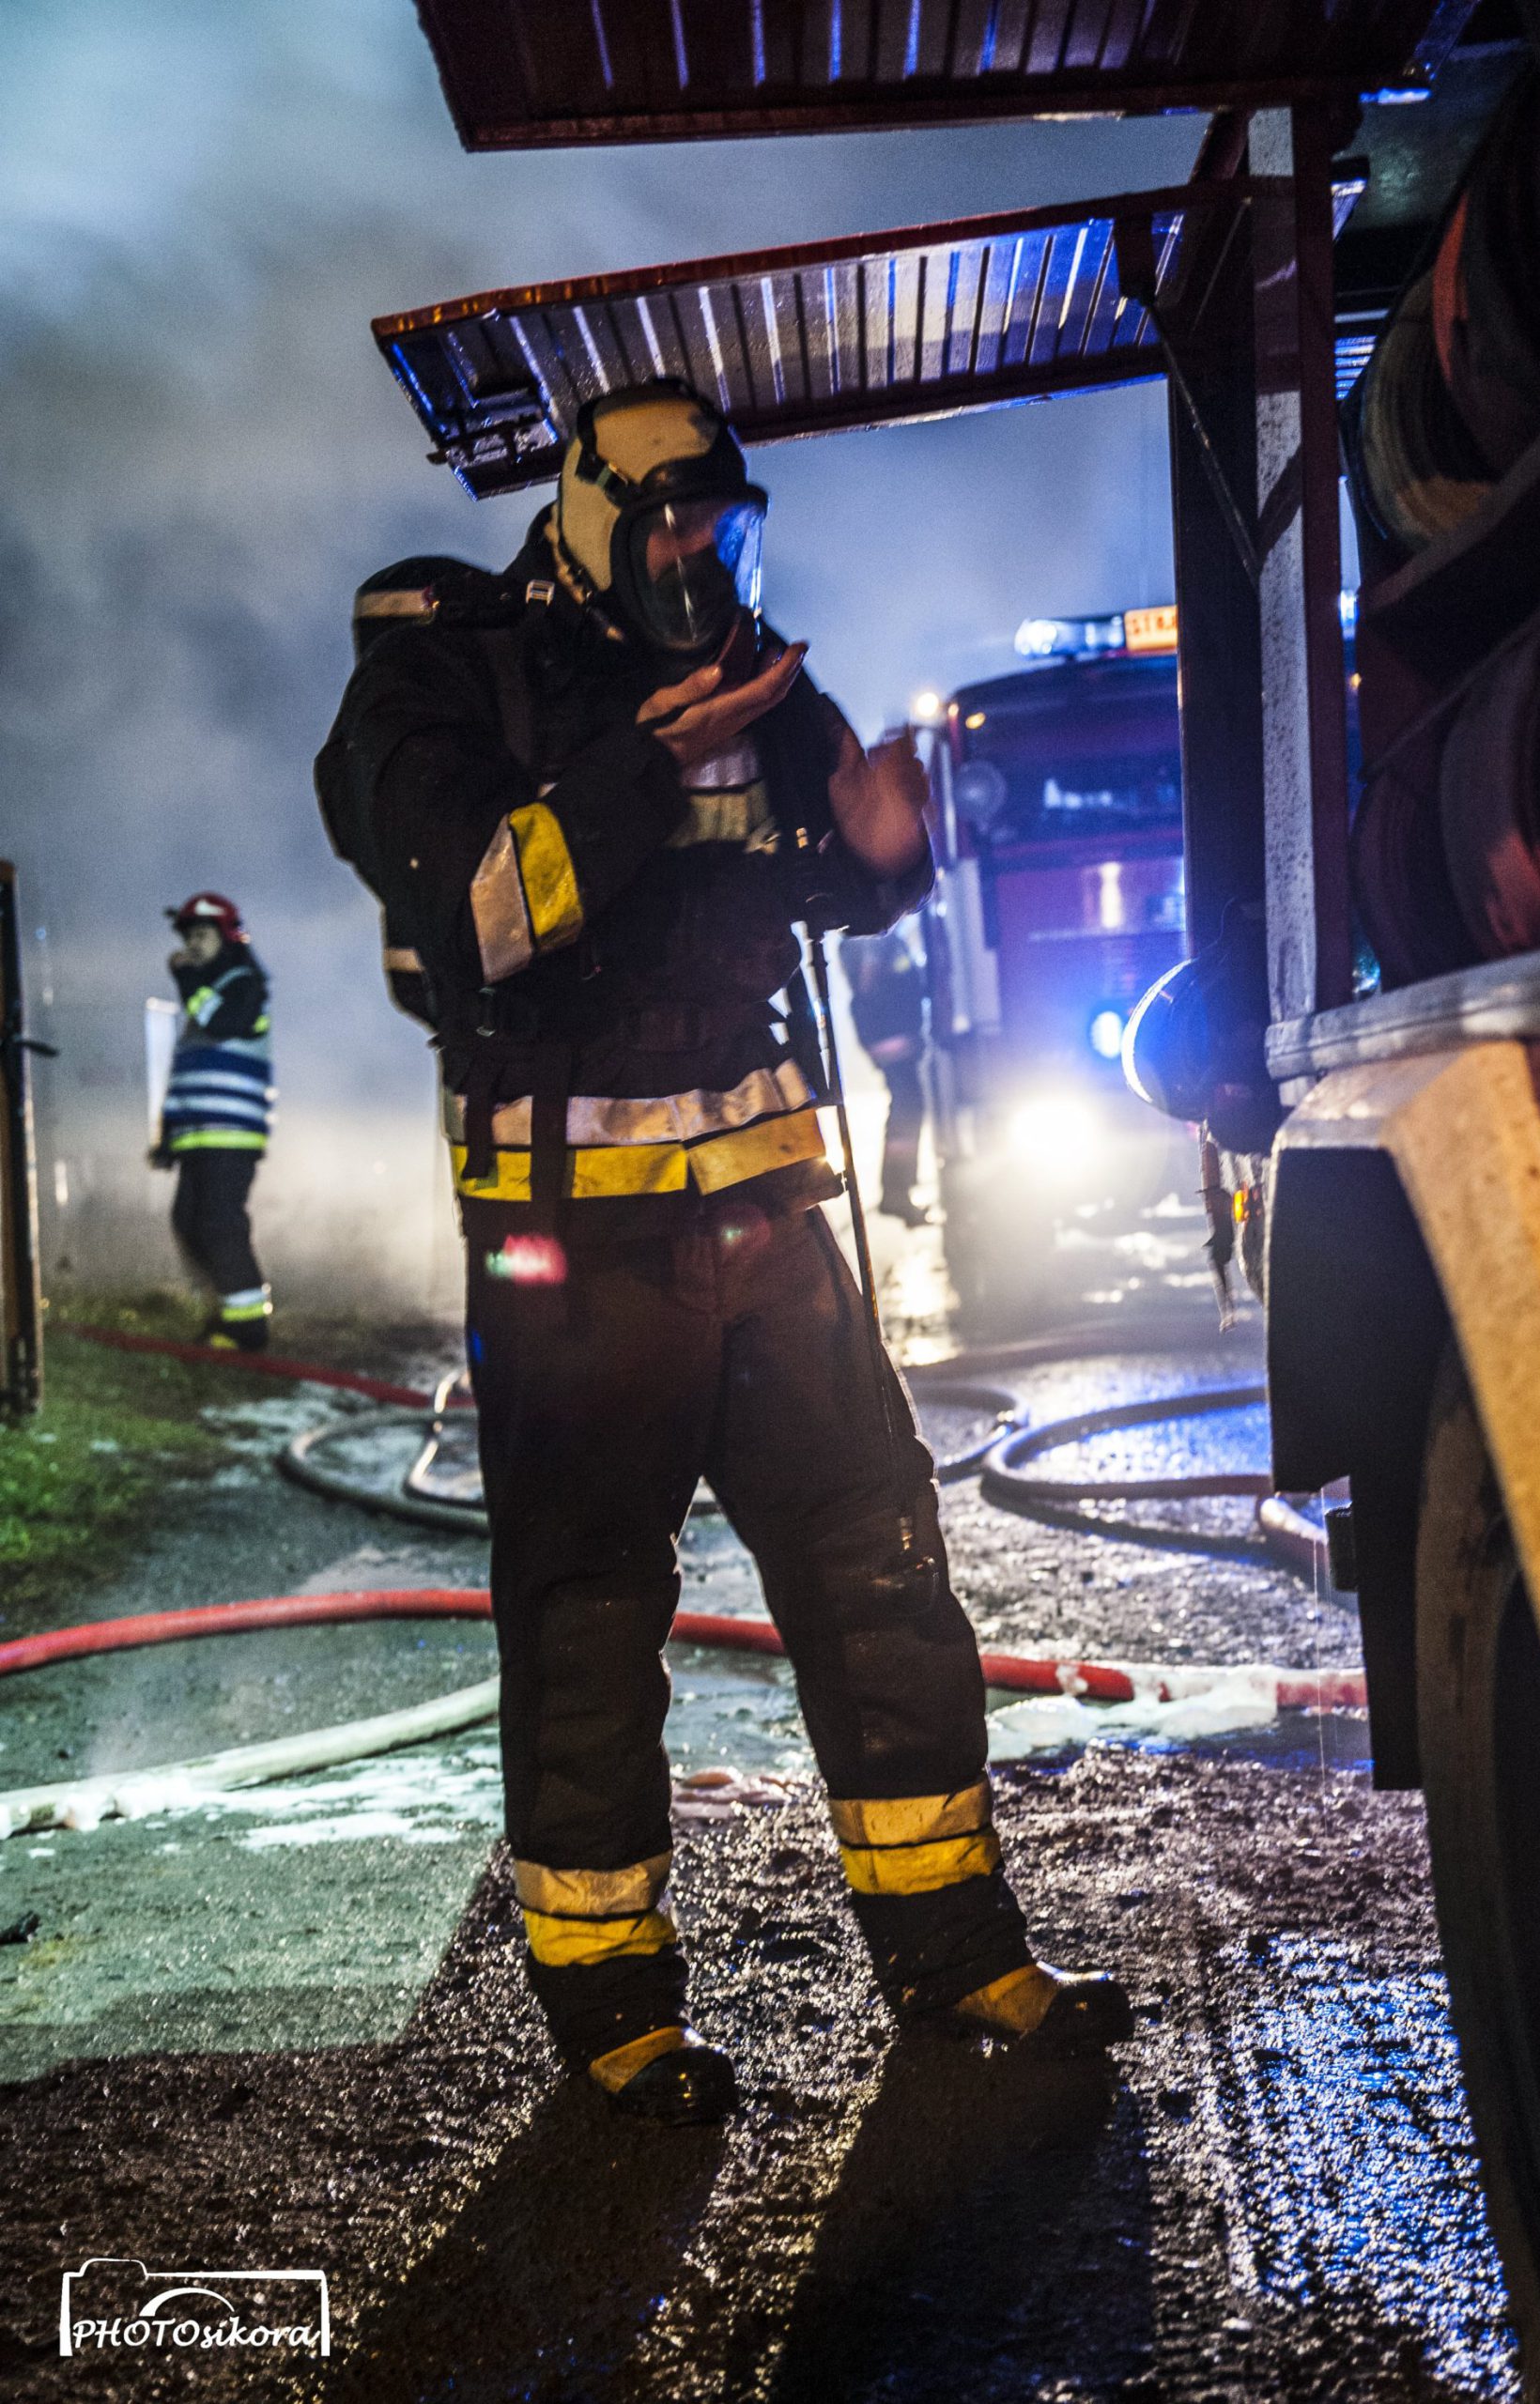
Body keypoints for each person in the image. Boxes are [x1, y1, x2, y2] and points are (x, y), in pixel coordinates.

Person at [316, 380, 1131, 2124]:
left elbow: (818, 876)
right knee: (589, 1610)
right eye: (671, 525)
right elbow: (480, 911)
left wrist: (887, 851)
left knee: (876, 1563)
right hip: (571, 1251)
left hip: (767, 1224)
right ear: (591, 521)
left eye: (724, 526)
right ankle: (613, 2008)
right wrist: (648, 760)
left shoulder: (759, 676)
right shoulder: (445, 673)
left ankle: (957, 1951)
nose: (701, 557)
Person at [149, 893, 273, 1349]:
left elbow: (222, 1023)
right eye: (189, 937)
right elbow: (185, 1077)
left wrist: (186, 978)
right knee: (187, 1221)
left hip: (231, 1136)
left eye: (203, 935)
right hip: (197, 1136)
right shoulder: (206, 994)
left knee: (220, 1225)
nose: (193, 945)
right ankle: (225, 1312)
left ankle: (248, 1328)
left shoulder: (244, 986)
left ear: (228, 937)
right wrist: (169, 1137)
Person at [839, 925, 930, 1224]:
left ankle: (899, 1193)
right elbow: (869, 984)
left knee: (907, 1111)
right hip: (891, 1038)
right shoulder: (871, 937)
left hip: (891, 1036)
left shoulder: (872, 937)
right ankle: (896, 1195)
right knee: (906, 1112)